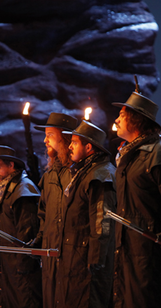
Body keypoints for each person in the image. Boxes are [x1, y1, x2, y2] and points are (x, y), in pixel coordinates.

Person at [112, 90, 161, 308]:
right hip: (126, 250)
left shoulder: (160, 154)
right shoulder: (128, 156)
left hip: (151, 253)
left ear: (136, 120)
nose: (116, 120)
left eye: (122, 115)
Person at [59, 120, 116, 307]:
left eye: (74, 142)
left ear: (89, 146)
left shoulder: (100, 175)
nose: (69, 147)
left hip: (87, 263)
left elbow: (103, 219)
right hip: (76, 258)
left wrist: (95, 258)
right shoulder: (86, 171)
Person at [0, 145, 42, 307]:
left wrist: (23, 269)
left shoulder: (23, 189)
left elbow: (27, 232)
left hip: (21, 270)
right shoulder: (5, 189)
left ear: (11, 165)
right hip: (8, 266)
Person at [31, 112, 78, 308]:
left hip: (72, 258)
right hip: (50, 260)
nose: (45, 140)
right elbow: (44, 214)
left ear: (65, 137)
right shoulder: (49, 176)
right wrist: (40, 240)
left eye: (50, 134)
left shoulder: (77, 175)